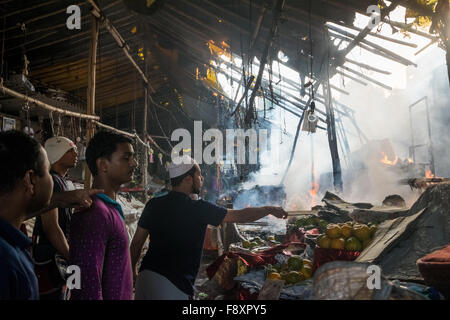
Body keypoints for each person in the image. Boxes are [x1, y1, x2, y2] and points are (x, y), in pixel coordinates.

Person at [130, 155, 287, 300]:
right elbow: (240, 215)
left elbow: (136, 244)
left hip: (145, 279)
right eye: (199, 175)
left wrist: (132, 271)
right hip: (173, 286)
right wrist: (269, 209)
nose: (202, 179)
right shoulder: (198, 208)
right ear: (188, 179)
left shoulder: (153, 204)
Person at [0, 130, 101, 300]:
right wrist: (73, 258)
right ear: (30, 179)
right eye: (47, 171)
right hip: (53, 259)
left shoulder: (12, 244)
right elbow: (52, 227)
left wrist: (63, 199)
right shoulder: (7, 262)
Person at [69, 131, 138, 300]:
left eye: (133, 157)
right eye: (126, 157)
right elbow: (83, 284)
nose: (134, 163)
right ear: (103, 164)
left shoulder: (109, 208)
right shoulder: (94, 212)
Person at [32, 136, 78, 300]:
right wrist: (72, 256)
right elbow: (51, 228)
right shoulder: (51, 181)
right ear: (57, 154)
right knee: (58, 295)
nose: (76, 153)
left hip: (63, 251)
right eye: (70, 150)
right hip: (53, 255)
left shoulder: (64, 182)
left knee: (71, 293)